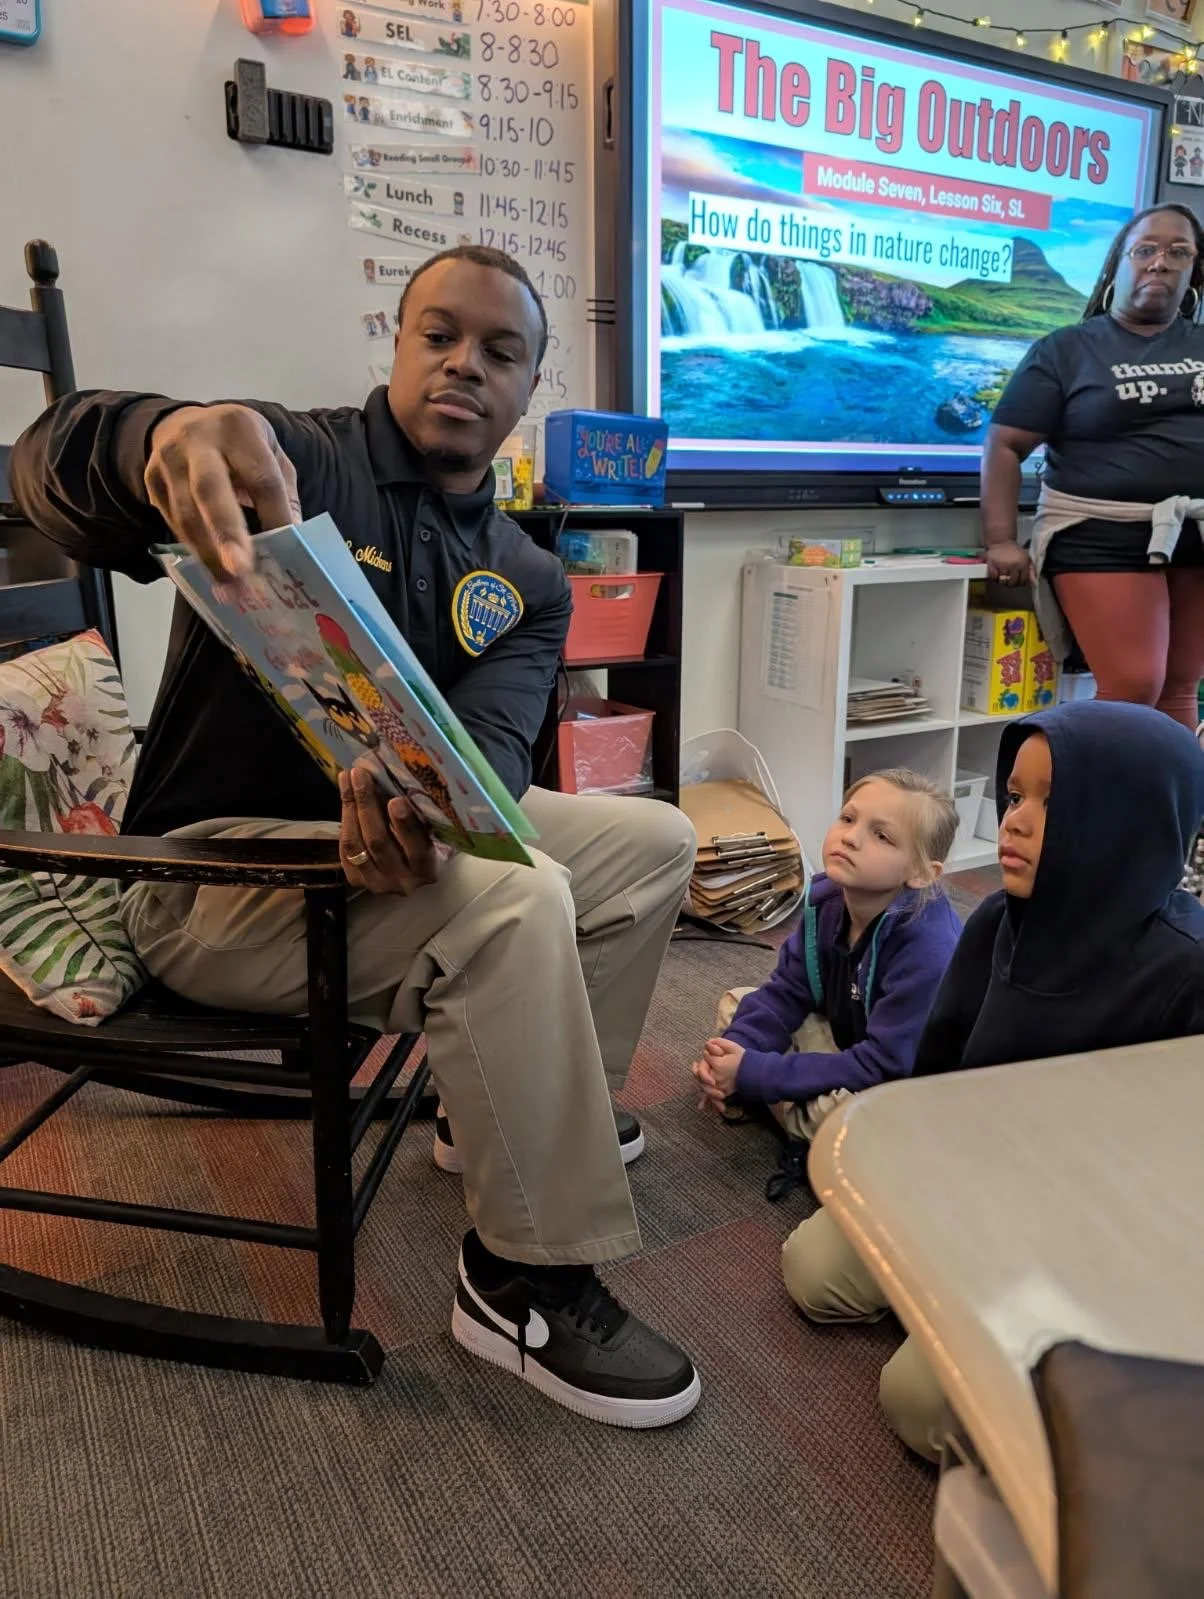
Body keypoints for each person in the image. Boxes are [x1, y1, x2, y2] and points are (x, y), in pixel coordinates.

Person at [10, 245, 701, 1430]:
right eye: (439, 335)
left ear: (531, 386)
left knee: (655, 841)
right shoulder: (297, 457)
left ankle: (511, 1108)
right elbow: (53, 463)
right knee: (519, 895)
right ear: (397, 341)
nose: (462, 366)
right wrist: (157, 434)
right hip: (212, 877)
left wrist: (435, 825)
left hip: (377, 863)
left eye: (500, 350)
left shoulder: (529, 576)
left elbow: (488, 756)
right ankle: (519, 1280)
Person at [781, 701, 1204, 1460]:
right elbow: (938, 1075)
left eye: (1053, 802)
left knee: (916, 1400)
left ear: (1128, 823)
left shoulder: (1186, 973)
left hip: (1083, 1242)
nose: (1014, 821)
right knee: (811, 1270)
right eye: (1015, 796)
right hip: (972, 1180)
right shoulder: (997, 921)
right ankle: (956, 1316)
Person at [982, 203, 1204, 730]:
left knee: (1179, 688)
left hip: (1194, 535)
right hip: (1101, 534)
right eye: (1146, 249)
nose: (1160, 263)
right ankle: (1102, 809)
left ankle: (1168, 813)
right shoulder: (1067, 350)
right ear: (1119, 265)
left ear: (1195, 269)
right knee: (1133, 687)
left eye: (1179, 252)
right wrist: (1001, 540)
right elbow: (1004, 445)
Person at [692, 770, 961, 1198]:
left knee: (843, 1118)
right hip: (845, 1038)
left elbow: (882, 1067)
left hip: (902, 1086)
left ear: (923, 874)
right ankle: (777, 1103)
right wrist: (737, 1049)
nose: (851, 837)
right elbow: (788, 991)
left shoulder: (929, 949)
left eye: (881, 837)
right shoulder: (828, 899)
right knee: (737, 1005)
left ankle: (792, 1119)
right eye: (848, 818)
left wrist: (754, 1071)